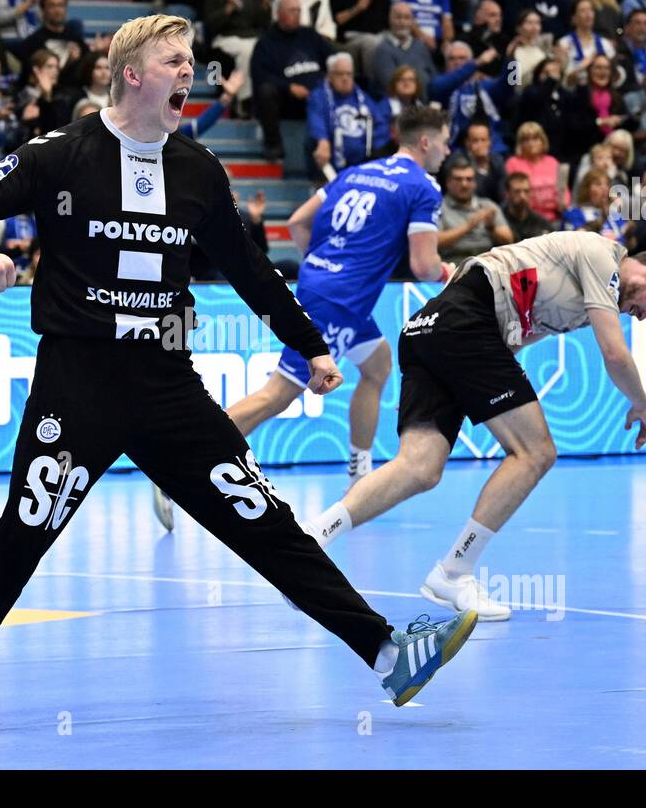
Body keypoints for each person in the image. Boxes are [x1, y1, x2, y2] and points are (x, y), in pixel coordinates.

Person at [0, 15, 477, 733]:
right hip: (79, 381)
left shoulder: (197, 169)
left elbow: (253, 273)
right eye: (173, 60)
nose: (189, 71)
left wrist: (311, 346)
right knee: (25, 531)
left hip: (167, 386)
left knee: (264, 520)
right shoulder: (62, 152)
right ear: (131, 74)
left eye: (191, 61)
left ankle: (387, 656)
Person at [301, 233, 646, 619]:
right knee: (535, 453)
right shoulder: (602, 257)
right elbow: (615, 354)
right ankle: (454, 571)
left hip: (430, 329)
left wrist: (464, 377)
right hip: (468, 320)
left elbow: (526, 331)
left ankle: (314, 537)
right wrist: (642, 404)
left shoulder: (582, 294)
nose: (639, 315)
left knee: (420, 467)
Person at [159, 104, 453, 534]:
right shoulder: (423, 187)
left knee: (377, 364)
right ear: (426, 142)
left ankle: (359, 471)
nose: (448, 150)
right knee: (277, 395)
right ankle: (179, 460)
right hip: (341, 300)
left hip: (328, 289)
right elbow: (425, 266)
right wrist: (451, 272)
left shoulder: (355, 172)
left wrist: (321, 267)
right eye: (445, 141)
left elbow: (298, 221)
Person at [250, 0, 332, 160]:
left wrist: (327, 80)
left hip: (318, 95)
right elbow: (260, 76)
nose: (297, 14)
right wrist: (288, 87)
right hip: (288, 100)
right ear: (279, 13)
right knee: (266, 91)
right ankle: (273, 145)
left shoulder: (310, 35)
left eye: (299, 11)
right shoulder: (266, 42)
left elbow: (332, 58)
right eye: (292, 10)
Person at [306, 53, 388, 180]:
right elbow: (316, 122)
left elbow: (380, 126)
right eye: (340, 74)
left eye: (349, 74)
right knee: (313, 145)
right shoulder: (319, 96)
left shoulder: (362, 97)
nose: (345, 78)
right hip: (330, 161)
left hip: (361, 162)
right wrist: (322, 140)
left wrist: (370, 147)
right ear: (329, 76)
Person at [438, 154, 515, 264]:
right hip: (454, 262)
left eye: (469, 179)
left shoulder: (488, 205)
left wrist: (491, 228)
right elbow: (435, 241)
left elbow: (509, 240)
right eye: (458, 179)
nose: (464, 184)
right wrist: (468, 226)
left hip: (487, 261)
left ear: (475, 183)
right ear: (448, 182)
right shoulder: (439, 207)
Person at [503, 120, 562, 221]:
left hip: (555, 218)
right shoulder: (513, 163)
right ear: (520, 144)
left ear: (543, 141)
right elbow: (511, 196)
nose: (531, 143)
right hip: (526, 219)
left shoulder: (553, 162)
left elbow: (563, 193)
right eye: (526, 140)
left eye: (535, 138)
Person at [500, 170, 554, 242]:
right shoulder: (500, 220)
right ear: (507, 194)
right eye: (517, 191)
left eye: (526, 191)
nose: (522, 196)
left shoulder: (539, 221)